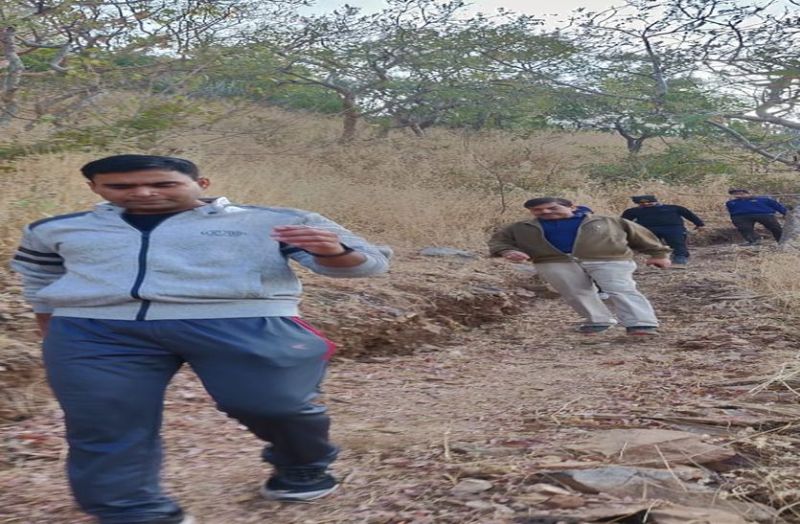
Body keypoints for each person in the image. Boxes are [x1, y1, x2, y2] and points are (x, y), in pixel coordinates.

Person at [11, 154, 391, 524]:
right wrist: (52, 330)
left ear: (201, 184)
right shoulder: (55, 229)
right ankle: (129, 508)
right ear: (94, 188)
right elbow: (41, 281)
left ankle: (302, 463)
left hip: (244, 322)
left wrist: (335, 252)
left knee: (276, 406)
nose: (142, 193)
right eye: (121, 186)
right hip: (98, 331)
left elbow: (368, 265)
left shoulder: (272, 221)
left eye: (162, 184)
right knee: (102, 420)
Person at [488, 197, 671, 336]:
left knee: (621, 289)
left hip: (608, 259)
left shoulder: (607, 220)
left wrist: (659, 254)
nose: (545, 212)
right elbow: (499, 241)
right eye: (538, 210)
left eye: (552, 208)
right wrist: (507, 251)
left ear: (572, 207)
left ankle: (641, 323)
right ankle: (598, 320)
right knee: (575, 292)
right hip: (553, 261)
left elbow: (640, 235)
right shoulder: (520, 227)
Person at [621, 195, 705, 267]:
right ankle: (657, 259)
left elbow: (690, 215)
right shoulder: (632, 211)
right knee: (651, 245)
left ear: (655, 201)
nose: (646, 204)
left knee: (677, 242)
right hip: (648, 229)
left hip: (673, 228)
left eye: (649, 202)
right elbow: (623, 222)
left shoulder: (673, 208)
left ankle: (680, 257)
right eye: (642, 203)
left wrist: (699, 224)